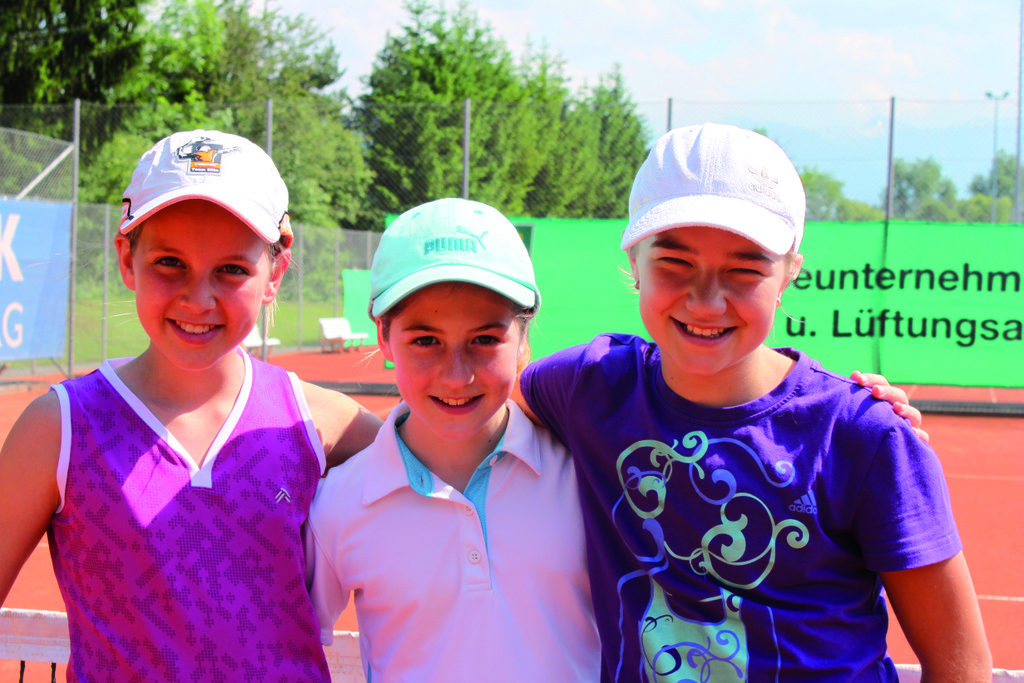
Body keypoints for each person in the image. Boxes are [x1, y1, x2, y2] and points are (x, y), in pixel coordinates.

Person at [517, 123, 991, 682]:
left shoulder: (865, 435)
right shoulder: (587, 385)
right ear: (634, 261)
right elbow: (481, 403)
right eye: (674, 263)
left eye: (744, 270)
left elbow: (961, 666)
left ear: (789, 273)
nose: (706, 301)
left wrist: (879, 427)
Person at [0, 129, 381, 682]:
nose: (198, 299)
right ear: (127, 258)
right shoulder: (58, 428)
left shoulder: (322, 424)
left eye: (232, 269)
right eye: (170, 262)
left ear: (274, 273)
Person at [305, 198, 600, 682]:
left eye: (485, 339)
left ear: (524, 339)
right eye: (425, 341)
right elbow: (288, 650)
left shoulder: (585, 477)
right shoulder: (337, 504)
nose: (457, 375)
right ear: (383, 336)